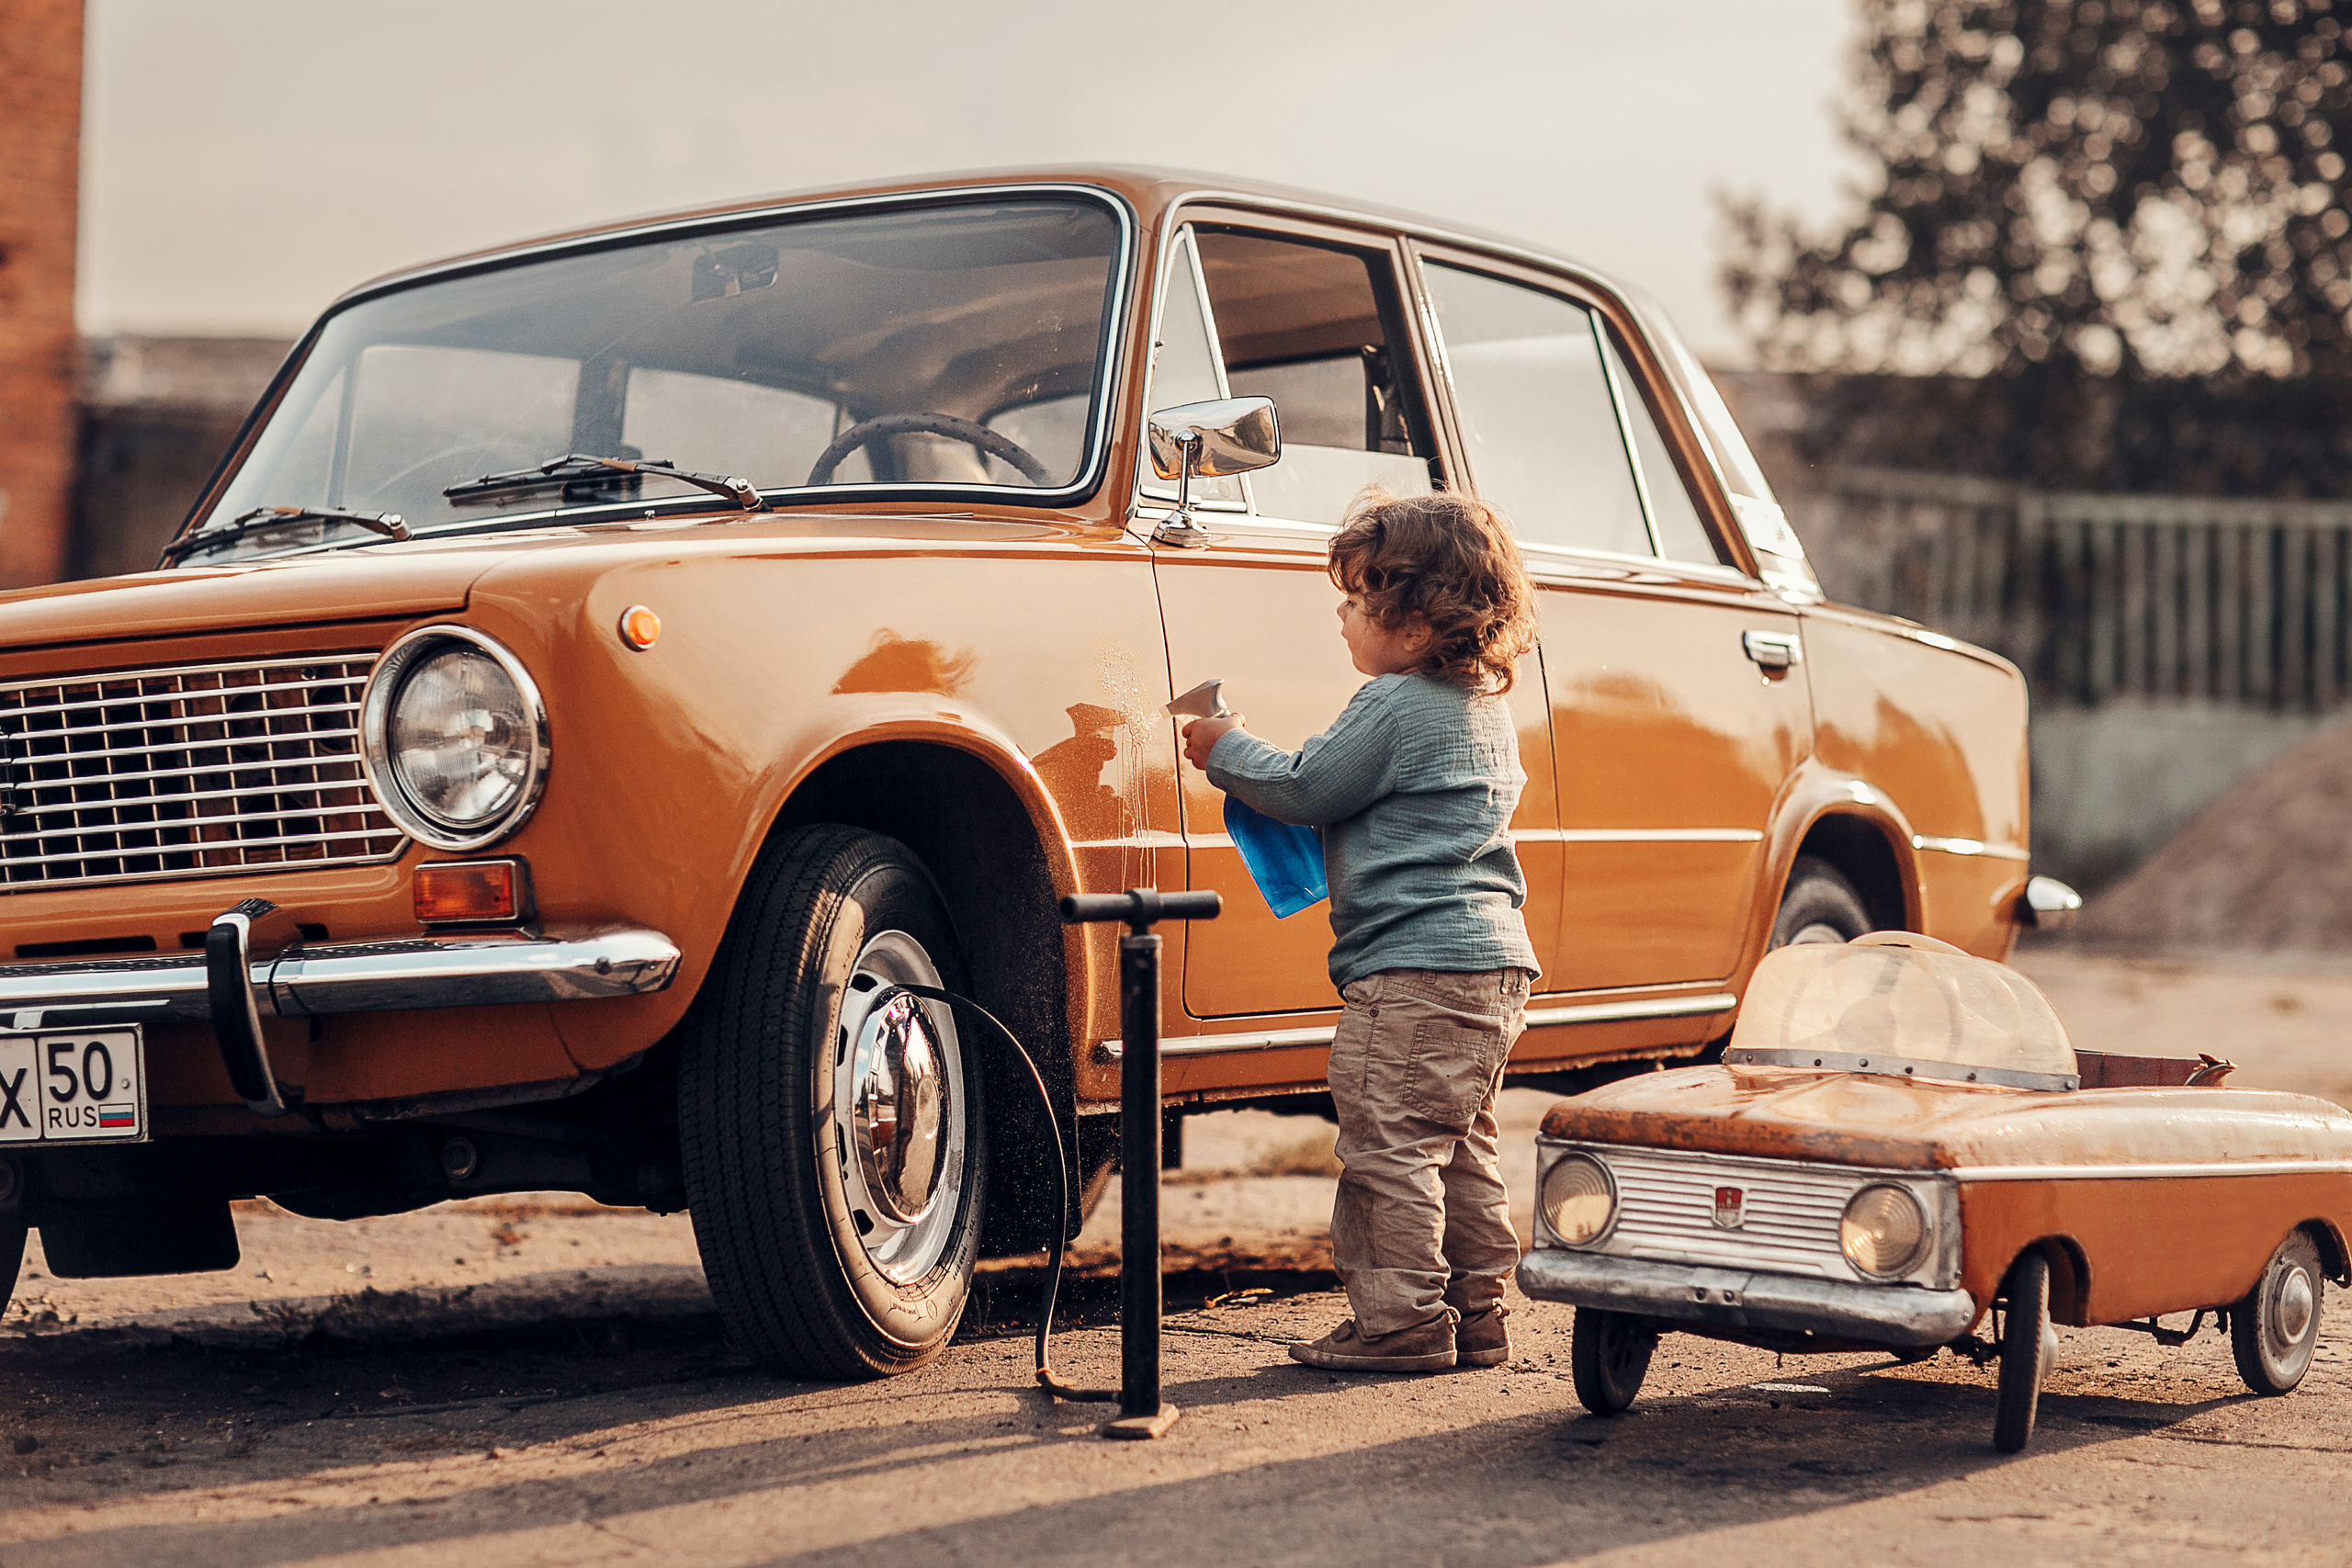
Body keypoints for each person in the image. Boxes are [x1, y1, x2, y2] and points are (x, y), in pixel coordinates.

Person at [1181, 487, 1541, 1372]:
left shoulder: (1395, 704)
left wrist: (1220, 742)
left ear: (1414, 626)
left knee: (1387, 1145)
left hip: (1413, 971)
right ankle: (1478, 1310)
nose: (1341, 613)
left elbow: (1308, 787)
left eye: (1356, 597)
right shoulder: (1482, 708)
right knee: (1457, 1143)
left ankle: (1401, 1321)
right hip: (1490, 968)